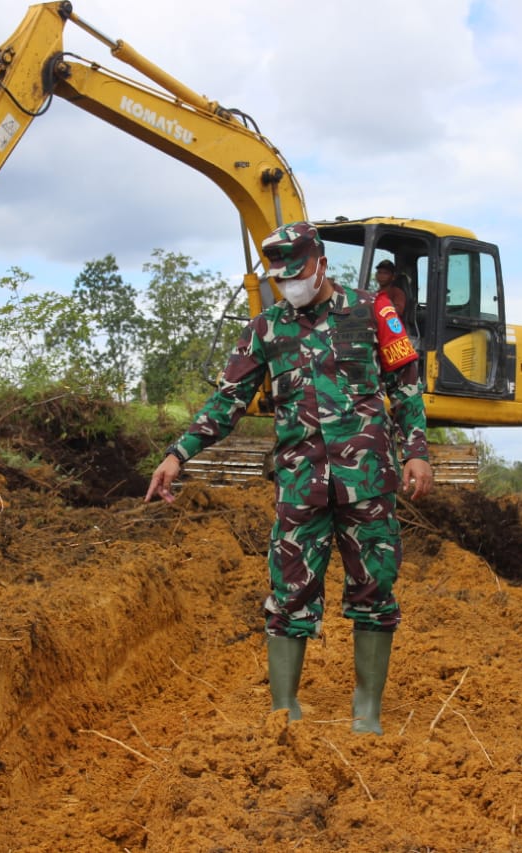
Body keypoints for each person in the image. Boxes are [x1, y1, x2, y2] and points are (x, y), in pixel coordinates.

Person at [146, 221, 433, 735]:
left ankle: (367, 709)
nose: (288, 283)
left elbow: (406, 387)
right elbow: (227, 401)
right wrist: (178, 454)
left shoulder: (373, 310)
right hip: (301, 484)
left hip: (367, 480)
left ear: (321, 262)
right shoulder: (265, 329)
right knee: (289, 592)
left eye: (295, 272)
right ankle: (285, 713)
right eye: (279, 277)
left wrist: (416, 452)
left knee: (375, 588)